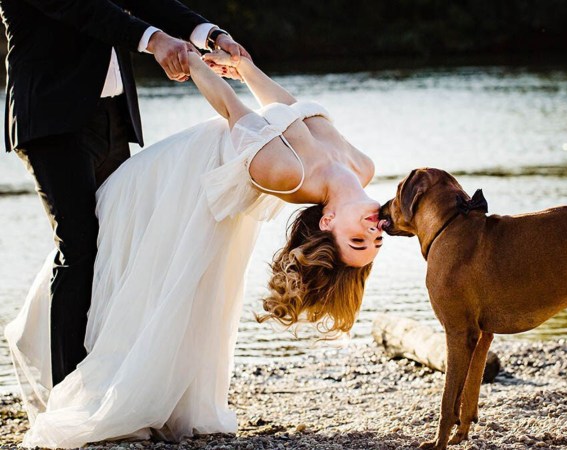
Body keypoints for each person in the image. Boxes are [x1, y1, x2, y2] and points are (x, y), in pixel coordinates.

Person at [5, 48, 383, 447]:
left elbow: (232, 110)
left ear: (327, 222)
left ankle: (106, 384)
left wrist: (192, 61)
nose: (372, 231)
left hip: (175, 181)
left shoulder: (288, 174)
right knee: (109, 260)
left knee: (138, 273)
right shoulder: (363, 166)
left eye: (356, 240)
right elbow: (291, 109)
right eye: (373, 241)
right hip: (182, 177)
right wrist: (246, 68)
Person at [0, 0, 250, 389]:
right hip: (51, 118)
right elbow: (83, 10)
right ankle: (71, 393)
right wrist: (154, 41)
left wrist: (211, 35)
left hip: (111, 117)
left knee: (122, 244)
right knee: (80, 250)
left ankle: (115, 379)